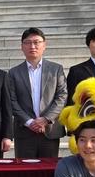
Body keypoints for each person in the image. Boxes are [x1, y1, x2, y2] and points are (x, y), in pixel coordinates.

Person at [8, 27, 67, 158]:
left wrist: (46, 119)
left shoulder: (56, 69)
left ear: (44, 45)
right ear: (22, 47)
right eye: (28, 43)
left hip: (50, 131)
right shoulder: (13, 73)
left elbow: (62, 96)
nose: (32, 46)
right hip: (24, 132)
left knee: (49, 168)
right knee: (24, 169)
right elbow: (12, 100)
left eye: (36, 42)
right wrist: (29, 122)